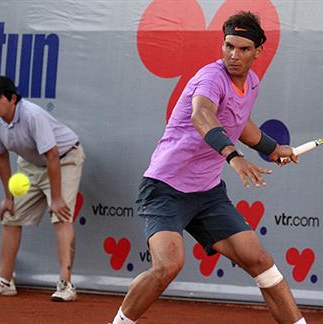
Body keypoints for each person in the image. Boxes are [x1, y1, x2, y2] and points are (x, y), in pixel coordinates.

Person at [111, 11, 306, 324]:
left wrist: (271, 149)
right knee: (168, 265)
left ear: (258, 52)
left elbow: (239, 122)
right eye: (229, 46)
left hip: (208, 192)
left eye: (243, 49)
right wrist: (234, 156)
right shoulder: (210, 77)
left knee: (260, 260)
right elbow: (203, 116)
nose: (233, 55)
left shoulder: (251, 82)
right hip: (166, 187)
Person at [0, 76, 85, 302]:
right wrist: (8, 197)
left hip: (64, 160)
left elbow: (53, 155)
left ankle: (66, 285)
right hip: (30, 164)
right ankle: (5, 281)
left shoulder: (32, 115)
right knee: (10, 214)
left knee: (61, 215)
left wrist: (56, 198)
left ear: (13, 99)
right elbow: (0, 157)